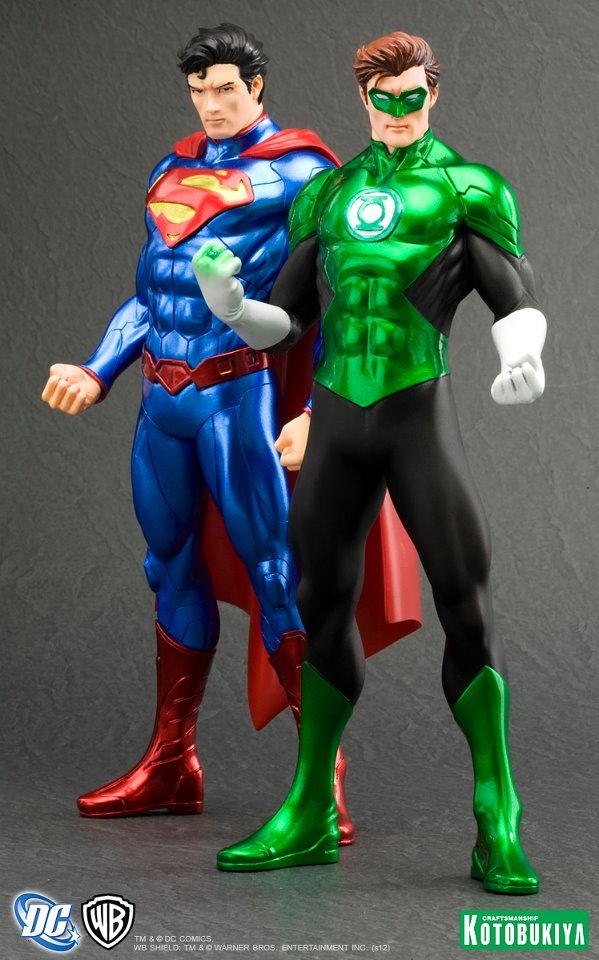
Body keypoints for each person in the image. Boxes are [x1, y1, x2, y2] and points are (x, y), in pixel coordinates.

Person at [192, 31, 546, 894]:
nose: (396, 112)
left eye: (410, 97)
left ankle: (496, 814)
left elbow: (512, 292)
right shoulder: (329, 191)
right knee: (317, 602)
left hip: (417, 411)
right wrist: (231, 305)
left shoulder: (466, 188)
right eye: (381, 99)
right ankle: (311, 808)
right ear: (362, 99)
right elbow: (289, 321)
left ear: (432, 93)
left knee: (465, 601)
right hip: (340, 421)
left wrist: (522, 354)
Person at [41, 22, 360, 836]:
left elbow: (337, 296)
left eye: (224, 89)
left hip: (234, 396)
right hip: (163, 400)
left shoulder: (304, 173)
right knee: (168, 565)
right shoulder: (171, 168)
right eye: (198, 91)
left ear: (256, 87)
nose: (210, 105)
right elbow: (151, 293)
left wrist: (317, 412)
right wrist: (98, 368)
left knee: (275, 572)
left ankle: (319, 777)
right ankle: (171, 763)